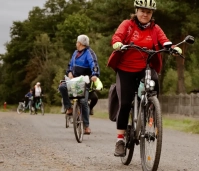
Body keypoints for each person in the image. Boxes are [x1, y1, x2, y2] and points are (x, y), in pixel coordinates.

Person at [109, 0, 182, 157]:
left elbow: (165, 41)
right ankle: (120, 140)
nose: (145, 14)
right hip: (125, 69)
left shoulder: (155, 28)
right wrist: (118, 43)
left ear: (152, 14)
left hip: (145, 67)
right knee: (126, 103)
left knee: (154, 83)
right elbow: (117, 37)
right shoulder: (127, 25)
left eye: (148, 12)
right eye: (142, 11)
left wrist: (173, 48)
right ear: (136, 11)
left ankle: (151, 110)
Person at [58, 34, 100, 135]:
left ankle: (86, 126)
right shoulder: (75, 53)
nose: (76, 44)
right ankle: (69, 108)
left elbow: (94, 64)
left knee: (83, 101)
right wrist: (69, 72)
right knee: (62, 87)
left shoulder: (89, 53)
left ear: (80, 43)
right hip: (74, 80)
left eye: (77, 42)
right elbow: (70, 65)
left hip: (84, 81)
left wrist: (95, 75)